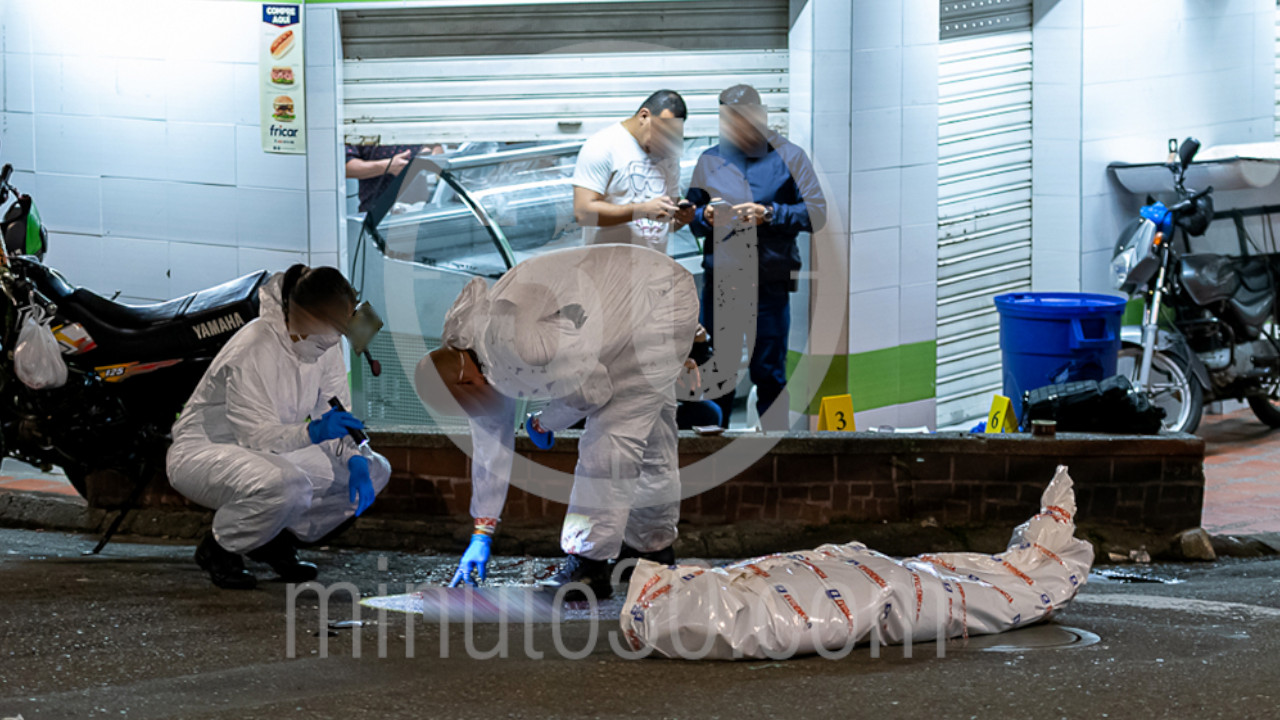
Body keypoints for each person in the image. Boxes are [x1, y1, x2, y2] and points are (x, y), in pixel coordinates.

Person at [415, 244, 699, 601]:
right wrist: (481, 532)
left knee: (610, 440)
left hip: (654, 305)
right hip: (646, 293)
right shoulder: (471, 351)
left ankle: (588, 565)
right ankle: (652, 550)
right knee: (653, 435)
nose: (477, 412)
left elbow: (592, 391)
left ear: (467, 384)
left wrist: (545, 423)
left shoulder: (523, 347)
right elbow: (492, 440)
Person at [167, 265, 392, 589]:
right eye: (325, 334)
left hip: (276, 449)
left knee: (375, 469)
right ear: (299, 315)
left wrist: (354, 455)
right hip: (208, 450)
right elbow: (254, 435)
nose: (329, 345)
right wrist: (312, 432)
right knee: (287, 485)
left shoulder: (323, 344)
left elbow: (334, 409)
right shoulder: (255, 346)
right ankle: (220, 546)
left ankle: (270, 539)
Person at [687, 85, 826, 431]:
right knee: (716, 370)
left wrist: (769, 213)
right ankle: (710, 449)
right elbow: (690, 213)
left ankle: (772, 455)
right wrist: (703, 216)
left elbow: (816, 213)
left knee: (769, 374)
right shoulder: (709, 160)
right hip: (721, 285)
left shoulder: (791, 158)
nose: (730, 128)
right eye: (725, 121)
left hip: (769, 285)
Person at [572, 90, 696, 252]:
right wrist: (641, 210)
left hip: (653, 266)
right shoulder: (602, 146)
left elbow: (665, 223)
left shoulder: (669, 154)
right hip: (607, 267)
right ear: (644, 116)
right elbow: (583, 213)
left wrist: (681, 219)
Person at [345, 142, 444, 213]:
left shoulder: (416, 117)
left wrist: (432, 155)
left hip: (420, 209)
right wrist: (388, 166)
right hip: (377, 212)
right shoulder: (359, 122)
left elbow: (438, 150)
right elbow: (346, 167)